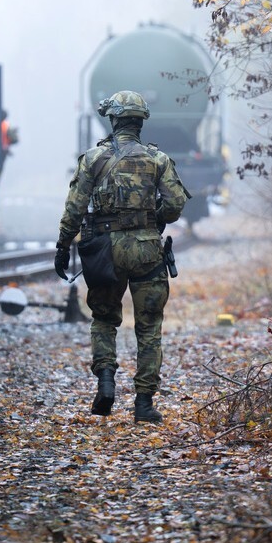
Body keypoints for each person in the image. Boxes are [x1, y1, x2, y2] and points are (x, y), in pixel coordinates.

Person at [54, 90, 190, 423]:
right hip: (147, 250)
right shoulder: (157, 160)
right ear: (141, 122)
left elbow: (73, 208)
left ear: (113, 120)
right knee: (149, 329)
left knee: (103, 319)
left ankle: (105, 382)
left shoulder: (93, 159)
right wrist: (154, 219)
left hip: (104, 252)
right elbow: (175, 205)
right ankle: (143, 405)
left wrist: (62, 245)